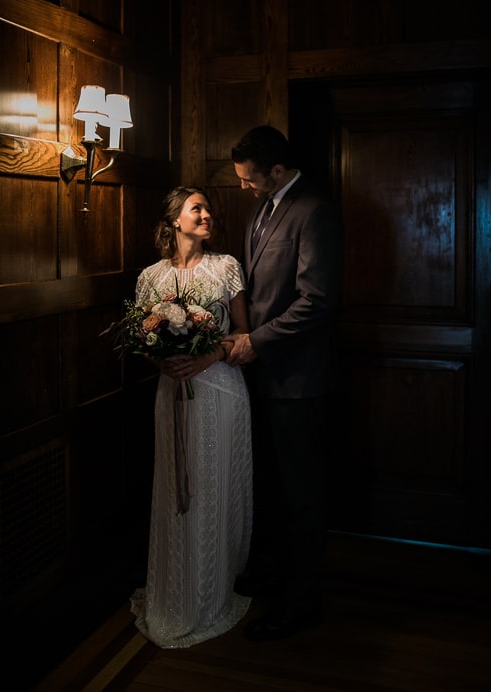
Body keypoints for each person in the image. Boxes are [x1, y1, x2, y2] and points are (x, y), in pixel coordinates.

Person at [225, 125, 343, 642]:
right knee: (270, 488)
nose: (245, 188)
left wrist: (256, 340)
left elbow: (316, 300)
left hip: (297, 379)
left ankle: (302, 603)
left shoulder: (313, 210)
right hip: (262, 377)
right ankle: (274, 576)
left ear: (277, 170)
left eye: (251, 179)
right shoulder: (260, 209)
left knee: (301, 495)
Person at [130, 185, 253, 648]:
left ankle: (211, 592)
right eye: (195, 208)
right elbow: (143, 337)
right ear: (174, 220)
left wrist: (206, 357)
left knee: (213, 486)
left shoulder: (226, 267)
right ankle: (174, 593)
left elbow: (242, 332)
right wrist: (161, 360)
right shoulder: (151, 277)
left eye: (208, 208)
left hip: (220, 388)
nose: (206, 214)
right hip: (172, 393)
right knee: (175, 489)